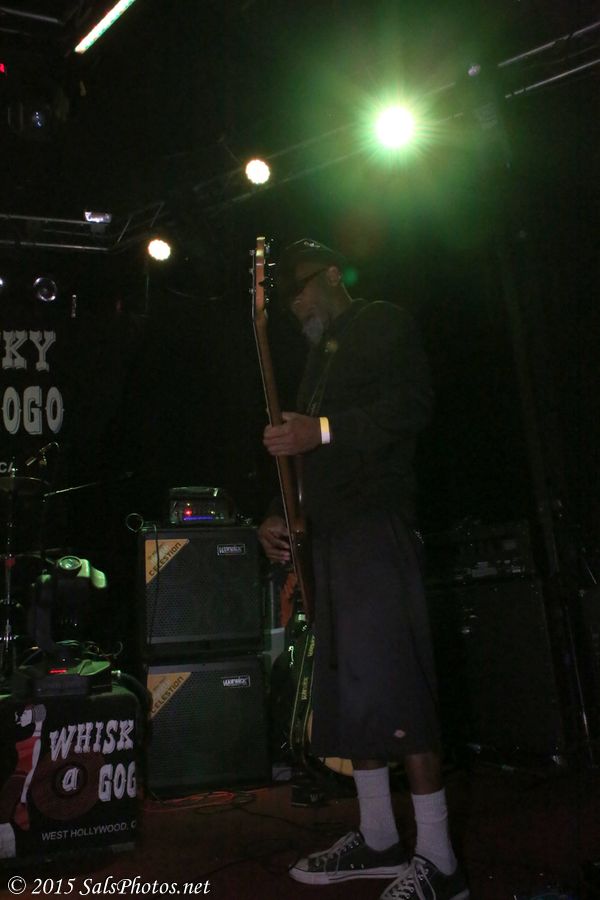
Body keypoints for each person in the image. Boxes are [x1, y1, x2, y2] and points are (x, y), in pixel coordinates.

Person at [258, 239, 468, 900]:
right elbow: (303, 455)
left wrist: (319, 429)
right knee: (354, 694)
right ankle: (379, 839)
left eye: (298, 289)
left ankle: (440, 861)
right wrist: (279, 513)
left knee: (397, 686)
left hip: (376, 527)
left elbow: (411, 406)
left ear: (328, 275)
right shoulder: (318, 361)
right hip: (328, 537)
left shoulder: (381, 321)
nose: (294, 306)